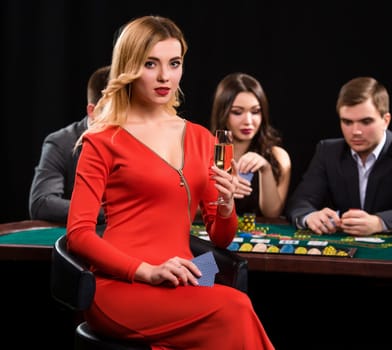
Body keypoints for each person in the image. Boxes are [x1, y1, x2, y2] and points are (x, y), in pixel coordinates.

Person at [66, 15, 274, 349]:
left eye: (174, 63)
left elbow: (222, 237)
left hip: (185, 274)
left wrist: (225, 202)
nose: (165, 76)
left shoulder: (201, 138)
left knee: (236, 303)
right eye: (151, 64)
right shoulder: (102, 138)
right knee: (234, 308)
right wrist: (145, 270)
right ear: (130, 67)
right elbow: (78, 236)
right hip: (122, 283)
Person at [286, 76, 392, 236]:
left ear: (386, 120)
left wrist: (378, 222)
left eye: (366, 121)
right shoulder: (327, 151)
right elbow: (300, 202)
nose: (355, 131)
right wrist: (310, 216)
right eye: (347, 122)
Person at [29, 65, 110, 224]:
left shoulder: (143, 136)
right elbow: (41, 203)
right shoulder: (61, 142)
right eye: (115, 112)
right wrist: (108, 213)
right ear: (92, 111)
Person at [209, 72, 291, 218]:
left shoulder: (278, 156)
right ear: (223, 113)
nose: (248, 121)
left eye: (255, 112)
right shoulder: (204, 151)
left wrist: (265, 170)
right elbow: (188, 209)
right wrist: (222, 194)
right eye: (237, 112)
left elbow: (272, 214)